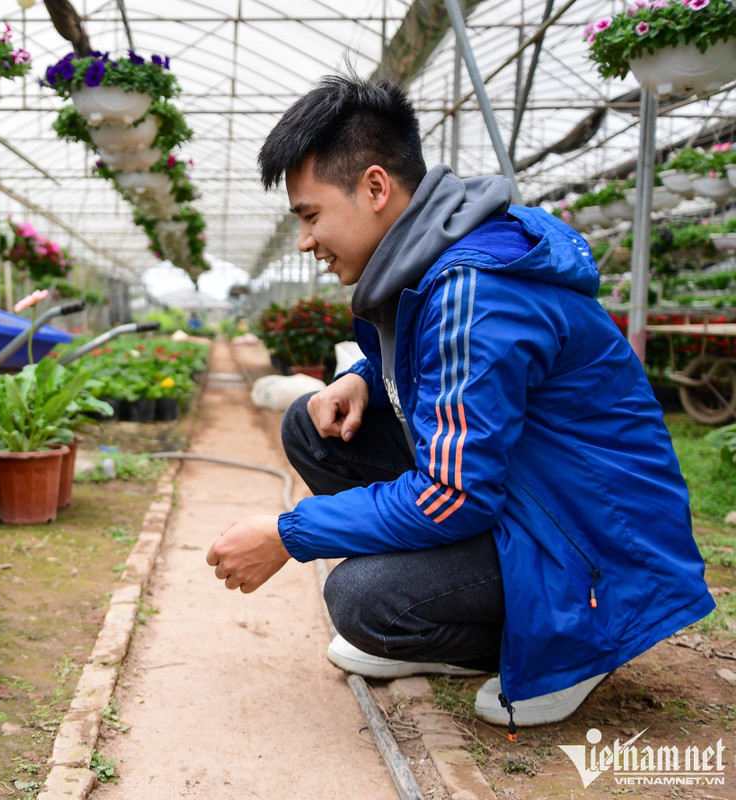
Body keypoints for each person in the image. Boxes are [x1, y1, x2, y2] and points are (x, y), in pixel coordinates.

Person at [205, 75, 714, 733]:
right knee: (312, 427)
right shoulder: (431, 265)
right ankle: (474, 602)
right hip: (528, 498)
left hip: (594, 548)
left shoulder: (478, 292)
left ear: (376, 188)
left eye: (310, 215)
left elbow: (455, 495)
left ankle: (573, 643)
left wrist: (287, 533)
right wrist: (364, 374)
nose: (306, 240)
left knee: (362, 600)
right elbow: (447, 364)